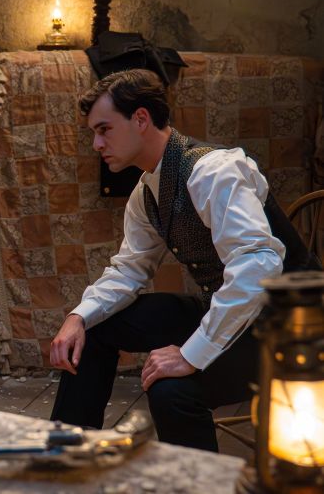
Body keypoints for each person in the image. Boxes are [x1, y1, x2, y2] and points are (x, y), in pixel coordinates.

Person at [48, 69, 316, 451]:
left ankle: (197, 478)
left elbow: (258, 265)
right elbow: (129, 269)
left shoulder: (213, 171)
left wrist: (191, 354)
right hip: (230, 311)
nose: (96, 143)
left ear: (141, 119)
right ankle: (65, 457)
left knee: (172, 390)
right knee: (93, 330)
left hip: (293, 328)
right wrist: (78, 317)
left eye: (104, 129)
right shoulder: (146, 193)